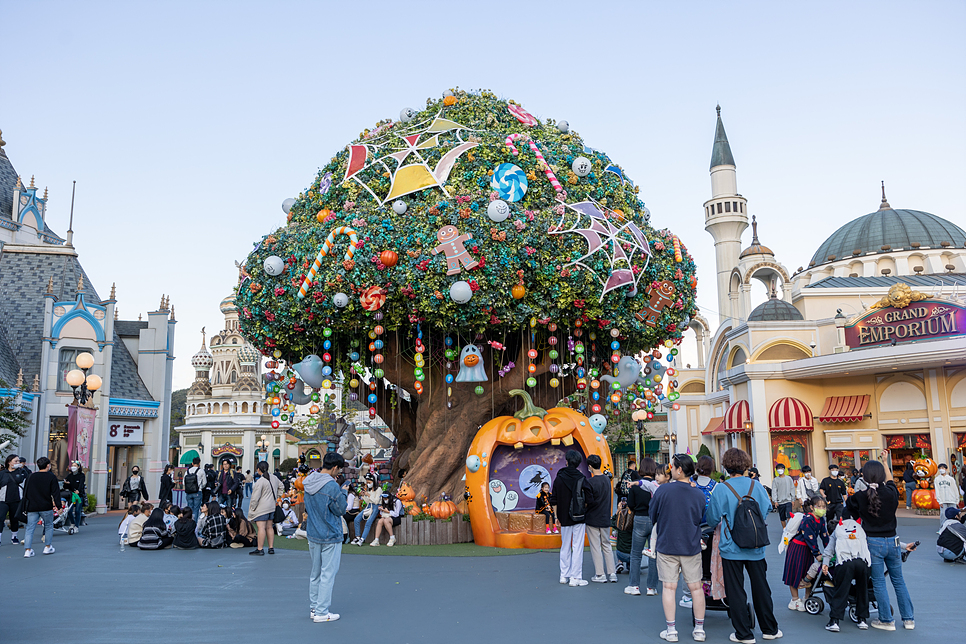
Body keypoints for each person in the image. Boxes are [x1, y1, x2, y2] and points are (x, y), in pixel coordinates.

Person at [707, 448, 782, 644]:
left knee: (736, 589)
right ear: (746, 464)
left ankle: (744, 633)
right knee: (761, 587)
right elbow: (766, 509)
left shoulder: (722, 489)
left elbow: (713, 517)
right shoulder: (756, 486)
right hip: (756, 545)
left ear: (726, 465)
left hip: (731, 546)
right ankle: (769, 629)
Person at [845, 459, 914, 630]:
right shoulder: (891, 493)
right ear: (883, 475)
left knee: (878, 582)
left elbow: (848, 509)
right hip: (893, 540)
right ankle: (908, 619)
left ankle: (886, 620)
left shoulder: (860, 497)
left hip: (872, 542)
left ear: (864, 477)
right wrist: (885, 461)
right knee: (898, 581)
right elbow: (890, 482)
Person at [649, 453, 708, 643]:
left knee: (668, 586)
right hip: (691, 544)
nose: (670, 470)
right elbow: (701, 517)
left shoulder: (662, 491)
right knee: (696, 588)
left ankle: (671, 630)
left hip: (667, 545)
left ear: (679, 469)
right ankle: (699, 629)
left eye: (672, 467)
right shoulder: (698, 493)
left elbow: (653, 516)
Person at [304, 451, 349, 623]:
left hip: (313, 533)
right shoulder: (332, 487)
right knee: (328, 573)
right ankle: (322, 612)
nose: (339, 473)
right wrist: (343, 492)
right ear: (335, 467)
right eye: (339, 470)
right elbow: (340, 509)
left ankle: (314, 608)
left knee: (315, 573)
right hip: (330, 534)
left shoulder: (308, 482)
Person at [821, 516, 871, 631]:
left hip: (845, 562)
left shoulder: (839, 528)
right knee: (863, 590)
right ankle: (862, 619)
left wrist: (825, 563)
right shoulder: (859, 528)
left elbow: (829, 549)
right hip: (862, 562)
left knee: (841, 590)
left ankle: (834, 621)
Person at [551, 449, 593, 587]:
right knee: (577, 546)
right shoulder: (581, 478)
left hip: (563, 517)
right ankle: (575, 577)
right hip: (579, 517)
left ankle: (564, 575)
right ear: (579, 463)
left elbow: (554, 500)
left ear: (567, 461)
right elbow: (590, 498)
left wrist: (556, 516)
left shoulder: (559, 478)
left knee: (565, 546)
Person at [782, 495, 828, 610]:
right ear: (812, 507)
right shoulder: (808, 519)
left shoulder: (821, 519)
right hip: (798, 547)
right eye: (819, 506)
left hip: (808, 550)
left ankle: (807, 598)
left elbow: (824, 536)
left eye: (824, 507)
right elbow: (810, 537)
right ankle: (794, 599)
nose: (822, 509)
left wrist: (830, 551)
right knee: (795, 572)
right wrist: (817, 553)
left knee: (809, 573)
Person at [20, 457, 63, 558]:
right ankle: (47, 547)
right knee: (48, 526)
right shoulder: (51, 477)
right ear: (48, 465)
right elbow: (56, 493)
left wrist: (25, 505)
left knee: (30, 528)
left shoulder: (31, 476)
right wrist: (59, 506)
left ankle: (27, 549)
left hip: (32, 506)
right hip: (45, 505)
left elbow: (25, 492)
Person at [584, 454, 617, 583]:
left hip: (592, 517)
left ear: (590, 466)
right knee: (607, 545)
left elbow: (587, 501)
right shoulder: (607, 480)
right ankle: (612, 573)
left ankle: (600, 574)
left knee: (596, 546)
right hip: (604, 517)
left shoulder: (589, 482)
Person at [625, 469, 652, 596]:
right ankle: (652, 587)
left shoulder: (636, 485)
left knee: (636, 554)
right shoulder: (657, 485)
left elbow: (630, 504)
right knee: (653, 554)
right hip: (654, 519)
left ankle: (634, 585)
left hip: (640, 518)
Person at [248, 460, 283, 555]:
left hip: (262, 508)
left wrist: (253, 508)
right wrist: (277, 496)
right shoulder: (274, 478)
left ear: (258, 470)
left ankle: (260, 549)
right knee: (269, 527)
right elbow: (282, 486)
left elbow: (255, 497)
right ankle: (271, 548)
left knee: (261, 528)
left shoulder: (260, 481)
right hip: (272, 506)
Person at [350, 476, 381, 546]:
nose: (368, 484)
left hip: (376, 507)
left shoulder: (378, 489)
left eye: (369, 482)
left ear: (374, 482)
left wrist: (369, 495)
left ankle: (362, 539)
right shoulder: (369, 490)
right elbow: (368, 502)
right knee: (356, 519)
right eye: (367, 482)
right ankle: (357, 537)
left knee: (368, 522)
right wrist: (364, 496)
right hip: (369, 506)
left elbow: (376, 501)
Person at [0, 454, 24, 545]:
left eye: (18, 461)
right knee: (0, 518)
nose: (18, 463)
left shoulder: (21, 472)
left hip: (16, 499)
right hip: (3, 500)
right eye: (16, 461)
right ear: (9, 462)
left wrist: (21, 469)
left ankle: (14, 536)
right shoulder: (3, 473)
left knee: (14, 518)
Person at [819, 464, 848, 529]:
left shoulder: (840, 482)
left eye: (836, 470)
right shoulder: (826, 480)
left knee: (840, 518)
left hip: (839, 503)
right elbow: (821, 489)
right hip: (830, 503)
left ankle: (840, 530)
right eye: (833, 470)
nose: (835, 471)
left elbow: (844, 494)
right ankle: (829, 532)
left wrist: (847, 503)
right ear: (830, 471)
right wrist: (823, 494)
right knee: (829, 519)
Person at [934, 464, 961, 528]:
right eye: (940, 468)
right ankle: (943, 528)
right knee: (943, 515)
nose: (941, 469)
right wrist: (939, 501)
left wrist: (957, 500)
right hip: (943, 500)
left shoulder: (950, 479)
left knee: (954, 514)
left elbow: (955, 489)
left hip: (952, 499)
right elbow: (937, 490)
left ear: (946, 469)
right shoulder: (937, 479)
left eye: (943, 468)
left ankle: (954, 527)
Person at [771, 462, 795, 528]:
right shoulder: (775, 480)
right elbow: (774, 491)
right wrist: (775, 501)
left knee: (789, 516)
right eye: (778, 468)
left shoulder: (789, 479)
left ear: (784, 469)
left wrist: (793, 499)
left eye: (781, 468)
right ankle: (784, 529)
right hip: (780, 502)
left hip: (788, 500)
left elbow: (792, 488)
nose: (780, 470)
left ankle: (789, 529)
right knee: (782, 517)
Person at [64, 461, 87, 531]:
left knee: (77, 510)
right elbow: (66, 486)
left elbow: (81, 484)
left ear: (78, 467)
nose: (73, 467)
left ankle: (76, 526)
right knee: (69, 511)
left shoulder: (81, 475)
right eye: (72, 465)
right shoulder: (70, 476)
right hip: (71, 495)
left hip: (79, 495)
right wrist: (67, 483)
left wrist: (78, 491)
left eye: (75, 465)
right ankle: (73, 523)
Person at [612, 498, 633, 573]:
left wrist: (618, 511)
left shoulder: (620, 525)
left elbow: (611, 522)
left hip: (621, 553)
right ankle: (630, 564)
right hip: (633, 554)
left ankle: (620, 562)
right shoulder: (635, 522)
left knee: (618, 539)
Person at [183, 457, 204, 522]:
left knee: (189, 508)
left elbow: (184, 482)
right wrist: (200, 487)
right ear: (199, 463)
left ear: (192, 463)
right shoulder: (201, 471)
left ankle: (189, 522)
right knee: (196, 509)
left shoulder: (187, 471)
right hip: (197, 492)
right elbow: (204, 483)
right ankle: (194, 524)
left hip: (189, 492)